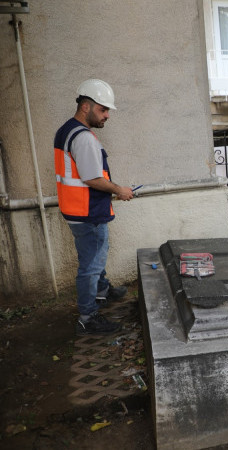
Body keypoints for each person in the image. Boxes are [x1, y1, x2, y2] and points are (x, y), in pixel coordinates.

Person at [54, 79, 134, 336]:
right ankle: (88, 318)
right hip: (87, 213)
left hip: (76, 209)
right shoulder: (84, 138)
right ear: (86, 106)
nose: (107, 115)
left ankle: (102, 290)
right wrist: (119, 190)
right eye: (103, 109)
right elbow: (92, 178)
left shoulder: (66, 130)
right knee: (91, 264)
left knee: (93, 256)